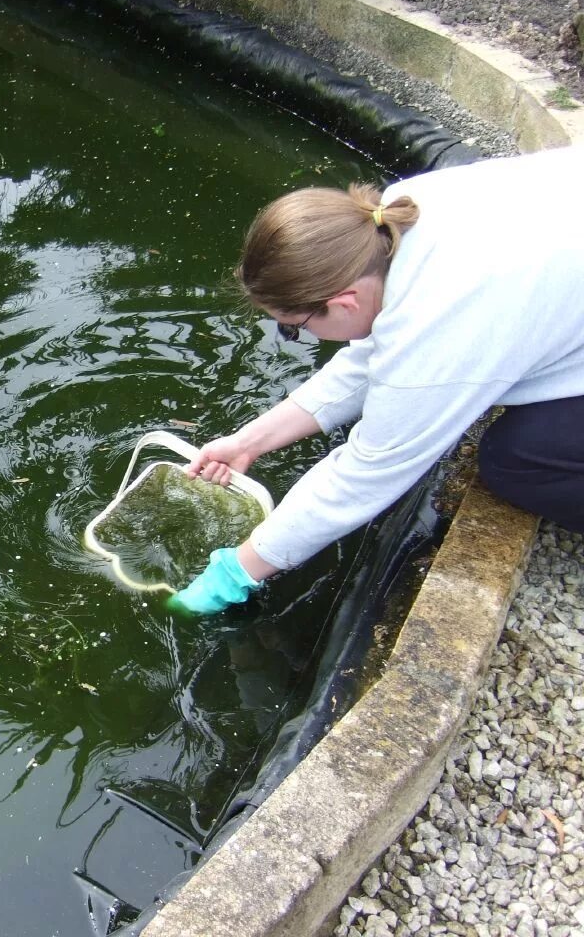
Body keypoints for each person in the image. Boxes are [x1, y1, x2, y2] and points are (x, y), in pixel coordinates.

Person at [170, 145, 584, 616]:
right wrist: (250, 441)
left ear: (343, 302)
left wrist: (234, 572)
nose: (297, 336)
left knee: (521, 460)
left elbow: (367, 472)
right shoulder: (392, 218)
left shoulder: (441, 325)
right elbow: (373, 356)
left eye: (294, 326)